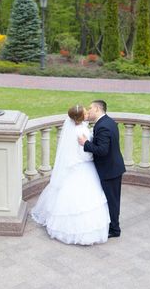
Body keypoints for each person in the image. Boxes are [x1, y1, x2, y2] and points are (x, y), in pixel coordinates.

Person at [31, 105, 110, 245]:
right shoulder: (80, 132)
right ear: (80, 118)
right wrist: (91, 153)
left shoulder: (75, 128)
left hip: (73, 169)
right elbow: (84, 155)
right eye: (85, 112)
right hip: (82, 168)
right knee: (85, 200)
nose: (87, 113)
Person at [78, 100, 125, 238]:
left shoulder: (103, 126)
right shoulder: (108, 121)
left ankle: (115, 230)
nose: (89, 110)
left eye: (90, 108)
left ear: (98, 109)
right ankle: (113, 225)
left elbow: (102, 150)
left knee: (112, 200)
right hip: (113, 167)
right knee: (113, 199)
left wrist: (85, 143)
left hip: (110, 170)